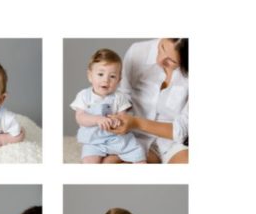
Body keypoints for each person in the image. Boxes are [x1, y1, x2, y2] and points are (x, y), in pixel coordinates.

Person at [70, 47, 147, 165]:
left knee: (137, 153)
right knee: (89, 161)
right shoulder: (84, 96)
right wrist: (96, 119)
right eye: (100, 74)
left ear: (119, 80)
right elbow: (80, 117)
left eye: (112, 76)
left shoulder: (119, 97)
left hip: (116, 138)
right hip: (93, 140)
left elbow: (123, 116)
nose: (106, 80)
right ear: (90, 76)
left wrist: (117, 120)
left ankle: (130, 159)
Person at [119, 36, 188, 164]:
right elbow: (123, 95)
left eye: (172, 60)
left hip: (173, 143)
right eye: (162, 48)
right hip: (135, 138)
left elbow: (182, 130)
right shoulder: (137, 51)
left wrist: (137, 123)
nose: (160, 60)